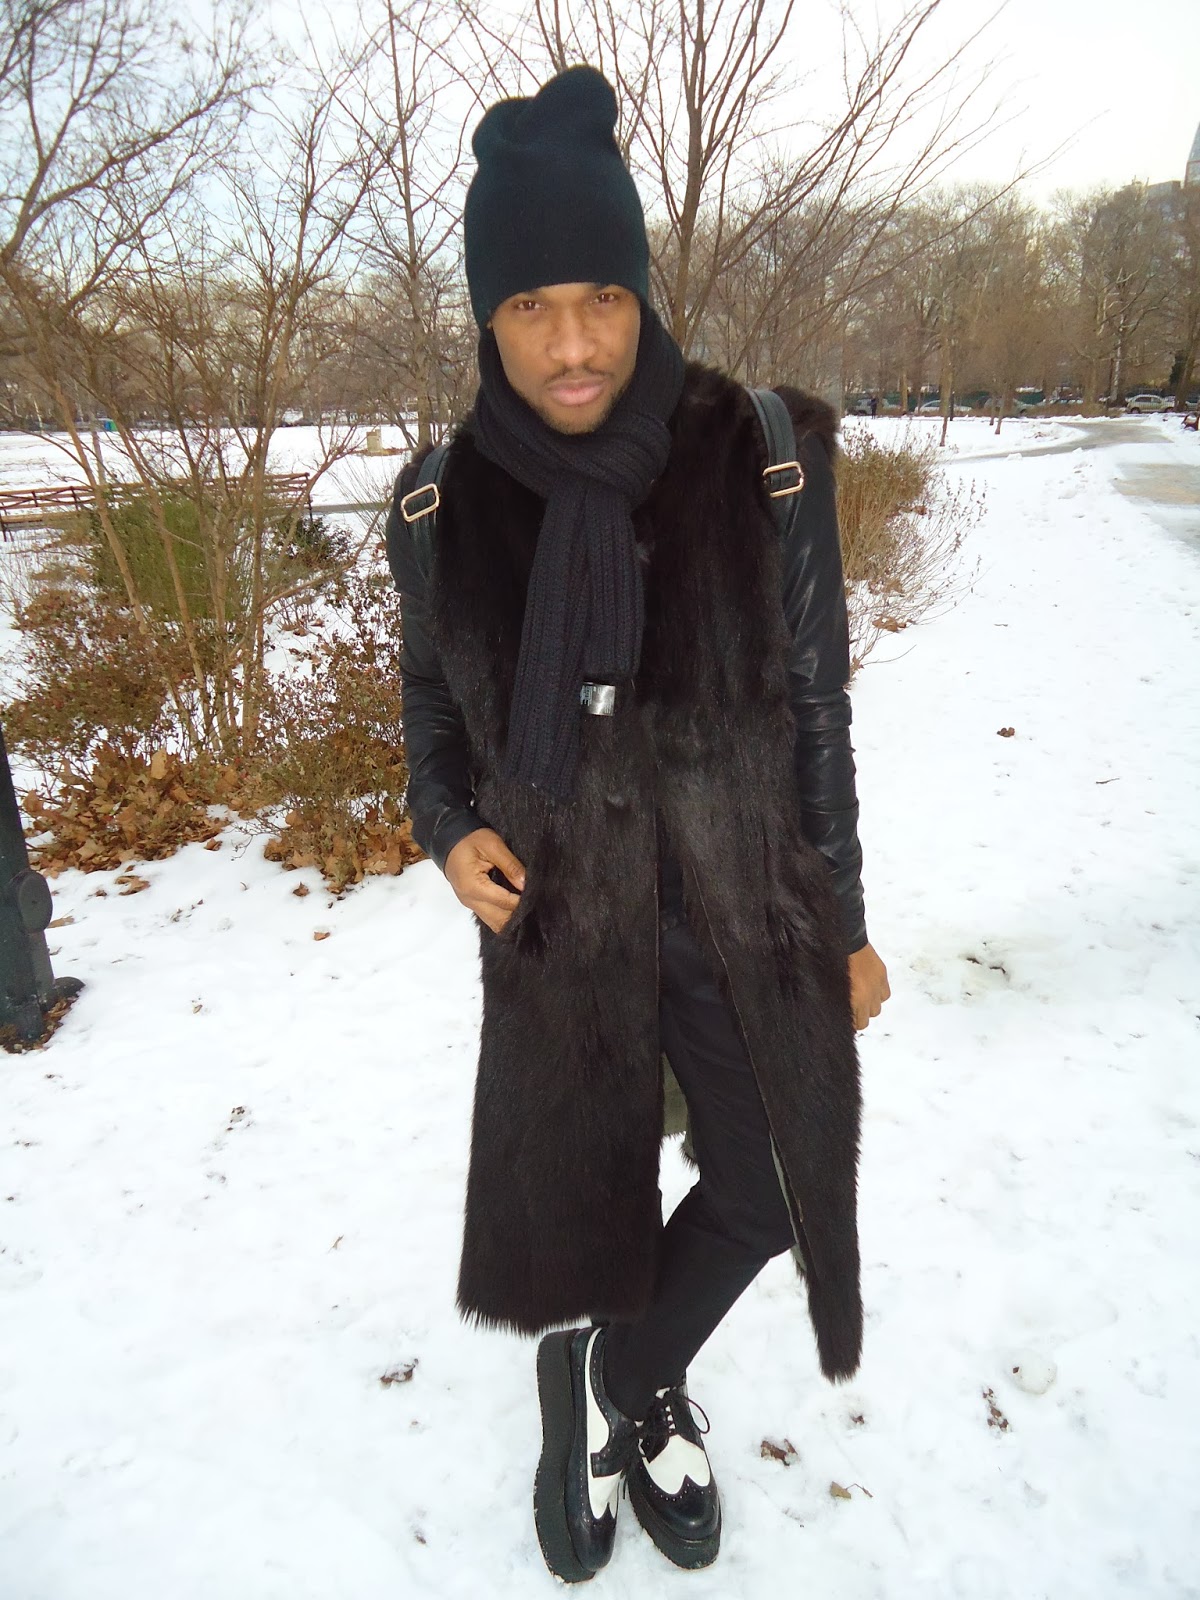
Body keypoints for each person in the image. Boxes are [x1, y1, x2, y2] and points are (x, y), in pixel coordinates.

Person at [386, 64, 890, 1582]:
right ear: (487, 319)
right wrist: (444, 826)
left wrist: (847, 923)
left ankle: (621, 1370)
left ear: (642, 290)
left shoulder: (760, 459)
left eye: (601, 296)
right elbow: (431, 710)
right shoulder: (442, 503)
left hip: (742, 910)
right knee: (588, 1205)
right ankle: (619, 1376)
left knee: (768, 1184)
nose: (573, 343)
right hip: (567, 922)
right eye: (531, 305)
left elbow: (817, 711)